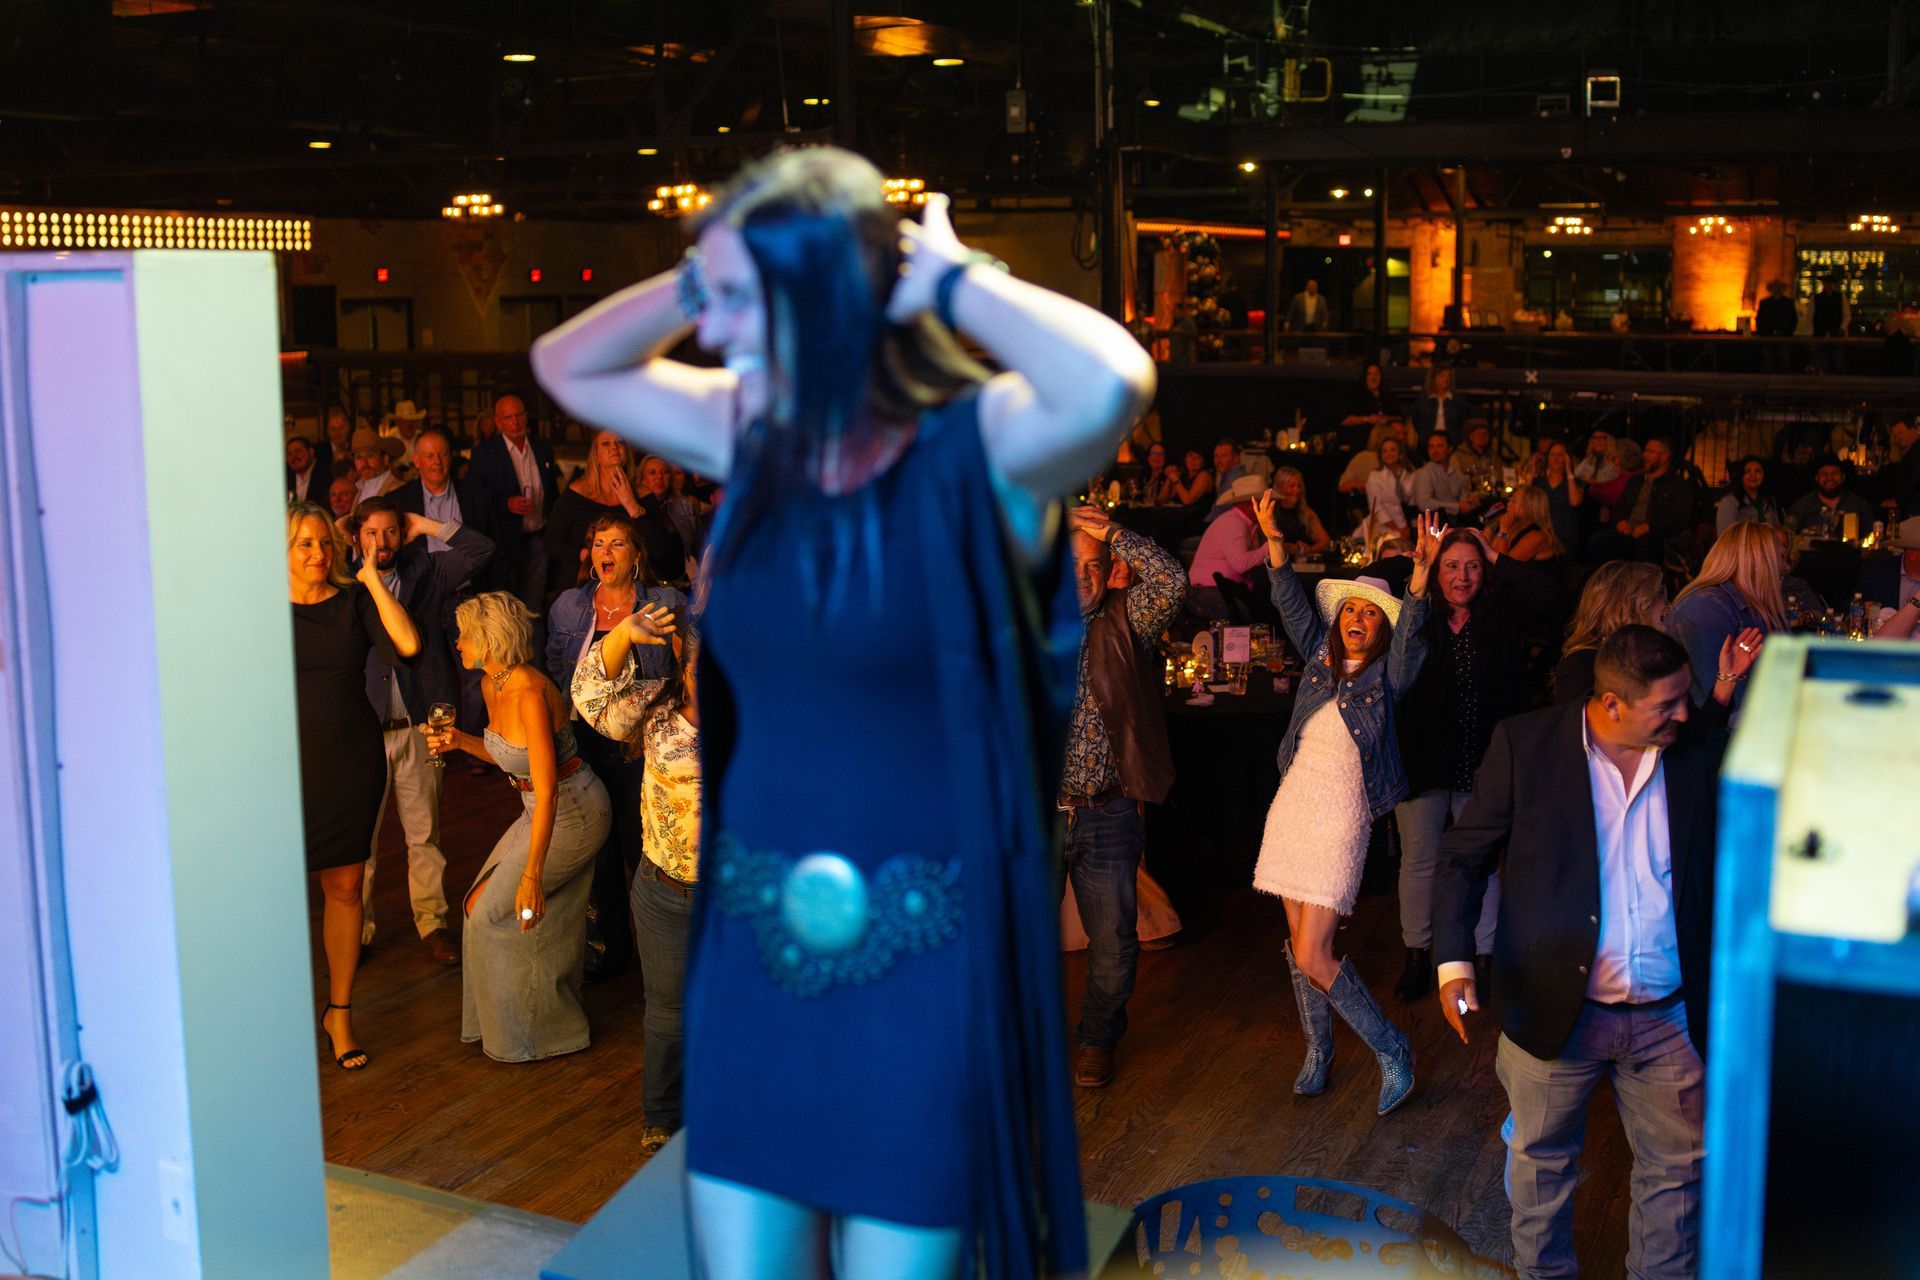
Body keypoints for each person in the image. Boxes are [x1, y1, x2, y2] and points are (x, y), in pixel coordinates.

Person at [528, 147, 1154, 1276]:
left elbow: (1109, 383)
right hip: (760, 960)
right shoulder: (756, 432)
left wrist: (952, 281)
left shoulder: (974, 446)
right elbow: (569, 363)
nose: (717, 335)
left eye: (741, 302)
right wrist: (706, 274)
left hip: (914, 978)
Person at [1433, 625, 1759, 1280]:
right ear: (1611, 704)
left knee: (1678, 1179)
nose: (1682, 713)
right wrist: (1454, 963)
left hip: (1670, 1017)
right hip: (1557, 1007)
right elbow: (1463, 859)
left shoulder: (1692, 749)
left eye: (1684, 698)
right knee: (1540, 1173)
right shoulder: (1525, 746)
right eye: (1665, 704)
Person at [1251, 501, 1436, 1115]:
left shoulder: (1389, 677)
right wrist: (1276, 544)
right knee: (1298, 943)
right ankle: (1318, 1052)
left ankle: (1393, 1048)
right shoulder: (1319, 660)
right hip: (1294, 809)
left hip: (1340, 817)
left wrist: (1418, 582)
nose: (1357, 617)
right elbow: (1290, 604)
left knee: (1313, 952)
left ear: (1383, 627)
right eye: (1350, 609)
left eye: (1369, 613)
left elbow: (1413, 636)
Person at [422, 592, 614, 1062]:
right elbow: (513, 759)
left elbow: (548, 789)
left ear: (490, 639)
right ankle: (520, 1026)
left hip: (575, 810)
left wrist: (531, 876)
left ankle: (531, 1036)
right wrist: (460, 741)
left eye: (465, 634)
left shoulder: (528, 691)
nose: (458, 642)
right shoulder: (493, 684)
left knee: (493, 914)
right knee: (476, 906)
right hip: (538, 806)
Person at [287, 500, 422, 1072]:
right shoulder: (256, 610)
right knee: (275, 900)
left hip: (348, 762)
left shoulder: (353, 602)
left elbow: (409, 645)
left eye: (324, 542)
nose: (318, 554)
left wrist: (369, 577)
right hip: (279, 767)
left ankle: (339, 1013)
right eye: (304, 544)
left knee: (344, 890)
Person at [1390, 527, 1545, 1003]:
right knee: (1420, 859)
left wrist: (1496, 551)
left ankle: (1483, 954)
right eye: (1452, 566)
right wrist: (1419, 572)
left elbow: (1551, 595)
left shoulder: (1500, 615)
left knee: (1483, 862)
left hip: (1484, 759)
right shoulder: (1417, 614)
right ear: (1436, 571)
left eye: (1473, 565)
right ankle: (1418, 952)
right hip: (1423, 756)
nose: (1463, 576)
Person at [1060, 505, 1184, 1087]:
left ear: (1110, 569)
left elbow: (1172, 580)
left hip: (1107, 812)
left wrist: (1110, 532)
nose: (1081, 574)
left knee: (1112, 945)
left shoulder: (1128, 619)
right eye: (1071, 561)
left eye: (1094, 564)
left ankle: (1097, 1041)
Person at [573, 611, 700, 1156]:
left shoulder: (772, 717)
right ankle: (662, 1117)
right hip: (665, 894)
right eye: (703, 668)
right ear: (684, 667)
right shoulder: (654, 710)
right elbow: (589, 695)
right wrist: (622, 632)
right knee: (668, 1014)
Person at [349, 497, 494, 961]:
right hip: (362, 730)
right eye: (370, 532)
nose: (381, 542)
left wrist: (426, 525)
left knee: (424, 834)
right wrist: (339, 531)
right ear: (356, 536)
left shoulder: (426, 572)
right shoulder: (341, 580)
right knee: (360, 841)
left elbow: (482, 551)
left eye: (391, 531)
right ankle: (357, 928)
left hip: (419, 724)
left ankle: (432, 925)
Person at [546, 514, 688, 981]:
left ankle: (657, 958)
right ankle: (612, 951)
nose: (606, 551)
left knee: (642, 848)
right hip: (585, 744)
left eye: (618, 543)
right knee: (600, 853)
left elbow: (688, 659)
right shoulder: (569, 607)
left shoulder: (664, 601)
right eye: (598, 542)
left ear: (637, 555)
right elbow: (559, 677)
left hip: (643, 747)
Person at [1666, 520, 1787, 712]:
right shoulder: (1705, 607)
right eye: (1781, 558)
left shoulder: (1753, 605)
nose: (1786, 567)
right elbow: (1712, 700)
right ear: (1760, 563)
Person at [545, 429, 686, 588]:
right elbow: (551, 542)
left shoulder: (644, 496)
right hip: (583, 584)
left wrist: (632, 505)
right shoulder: (576, 493)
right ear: (596, 454)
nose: (614, 447)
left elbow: (660, 550)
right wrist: (583, 554)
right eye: (606, 443)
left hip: (633, 585)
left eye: (620, 442)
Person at [469, 393, 561, 612]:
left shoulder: (541, 449)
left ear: (526, 416)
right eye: (509, 417)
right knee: (506, 606)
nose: (516, 421)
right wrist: (505, 504)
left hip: (539, 537)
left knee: (534, 606)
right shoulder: (485, 454)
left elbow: (553, 493)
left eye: (519, 415)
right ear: (498, 422)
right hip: (504, 541)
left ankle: (533, 644)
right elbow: (474, 497)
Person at [1551, 560, 1668, 704]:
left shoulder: (1652, 653)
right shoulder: (1582, 665)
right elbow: (1578, 724)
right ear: (1632, 605)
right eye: (1661, 592)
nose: (1669, 604)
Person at [1592, 435, 1695, 564]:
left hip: (1656, 535)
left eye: (1650, 452)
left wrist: (1649, 526)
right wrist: (1620, 521)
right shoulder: (1635, 481)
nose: (1645, 455)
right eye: (1645, 450)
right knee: (1598, 541)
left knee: (1645, 544)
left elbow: (1679, 518)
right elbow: (1619, 505)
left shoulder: (1678, 486)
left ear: (1665, 456)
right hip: (1629, 532)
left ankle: (1648, 583)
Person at [390, 425, 492, 554]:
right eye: (429, 456)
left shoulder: (478, 496)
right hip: (423, 574)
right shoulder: (398, 501)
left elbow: (494, 549)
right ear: (417, 461)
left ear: (450, 458)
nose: (437, 461)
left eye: (443, 454)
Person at [1187, 475, 1271, 620]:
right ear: (1252, 504)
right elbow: (1241, 564)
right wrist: (1270, 546)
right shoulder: (1233, 522)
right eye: (1266, 502)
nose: (1270, 506)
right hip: (1206, 591)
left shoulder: (1247, 524)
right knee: (1246, 611)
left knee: (1265, 601)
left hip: (1221, 588)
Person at [1786, 456, 1878, 538]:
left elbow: (1871, 537)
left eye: (1835, 473)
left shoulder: (1859, 505)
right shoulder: (1801, 506)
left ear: (1843, 477)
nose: (1829, 478)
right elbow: (1788, 537)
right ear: (1817, 478)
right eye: (1824, 474)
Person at [1861, 516, 1920, 637]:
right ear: (1913, 554)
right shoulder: (1879, 573)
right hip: (1887, 649)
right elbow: (1850, 609)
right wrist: (1864, 610)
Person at [1409, 430, 1483, 520]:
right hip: (1434, 525)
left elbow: (1464, 500)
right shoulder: (1424, 473)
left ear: (1449, 449)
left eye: (1439, 446)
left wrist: (1470, 503)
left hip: (1457, 523)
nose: (1434, 451)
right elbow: (1424, 504)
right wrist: (1457, 507)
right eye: (1431, 446)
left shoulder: (1457, 474)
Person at [1531, 439, 1584, 555]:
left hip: (1564, 534)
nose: (1556, 458)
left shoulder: (1574, 483)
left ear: (1567, 458)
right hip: (1541, 532)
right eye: (1553, 454)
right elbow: (1527, 502)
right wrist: (1534, 468)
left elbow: (1575, 502)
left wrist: (1569, 471)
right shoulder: (1539, 482)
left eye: (1561, 455)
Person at [1264, 466, 1331, 559]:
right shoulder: (1270, 512)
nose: (1297, 490)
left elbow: (1325, 540)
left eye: (1299, 486)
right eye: (1291, 486)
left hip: (1303, 564)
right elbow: (1267, 545)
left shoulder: (1305, 511)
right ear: (1280, 487)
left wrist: (1309, 549)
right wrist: (1292, 548)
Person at [1486, 484, 1563, 562]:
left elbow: (1504, 565)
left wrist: (1504, 530)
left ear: (1528, 507)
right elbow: (1488, 551)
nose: (1509, 504)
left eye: (1514, 501)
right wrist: (1492, 523)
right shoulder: (1514, 526)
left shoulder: (1537, 536)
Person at [1715, 454, 1784, 534]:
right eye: (1748, 471)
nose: (1753, 475)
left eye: (1758, 471)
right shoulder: (1729, 502)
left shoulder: (1769, 501)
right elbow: (1725, 537)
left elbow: (1778, 531)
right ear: (1741, 476)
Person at [1362, 435, 1414, 540]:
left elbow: (1413, 503)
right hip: (1382, 526)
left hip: (1408, 525)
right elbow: (1376, 508)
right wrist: (1398, 530)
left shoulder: (1410, 475)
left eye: (1392, 450)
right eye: (1384, 451)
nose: (1388, 454)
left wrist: (1408, 528)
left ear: (1400, 453)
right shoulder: (1375, 476)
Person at [350, 426, 405, 503]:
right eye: (359, 457)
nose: (364, 463)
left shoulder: (398, 489)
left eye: (369, 455)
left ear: (385, 459)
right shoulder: (360, 490)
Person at [1449, 420, 1500, 494]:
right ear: (1470, 436)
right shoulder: (1458, 457)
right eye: (1479, 433)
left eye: (1485, 433)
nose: (1482, 436)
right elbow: (1455, 482)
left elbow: (1500, 476)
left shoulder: (1494, 458)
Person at [1411, 365, 1458, 444]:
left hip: (1451, 443)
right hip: (1427, 443)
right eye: (1442, 376)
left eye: (1448, 376)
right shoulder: (1423, 400)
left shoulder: (1457, 400)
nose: (1446, 379)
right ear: (1433, 378)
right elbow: (1416, 421)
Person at [286, 423, 325, 502]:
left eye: (298, 451)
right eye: (289, 454)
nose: (294, 457)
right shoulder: (284, 476)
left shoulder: (325, 475)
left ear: (310, 452)